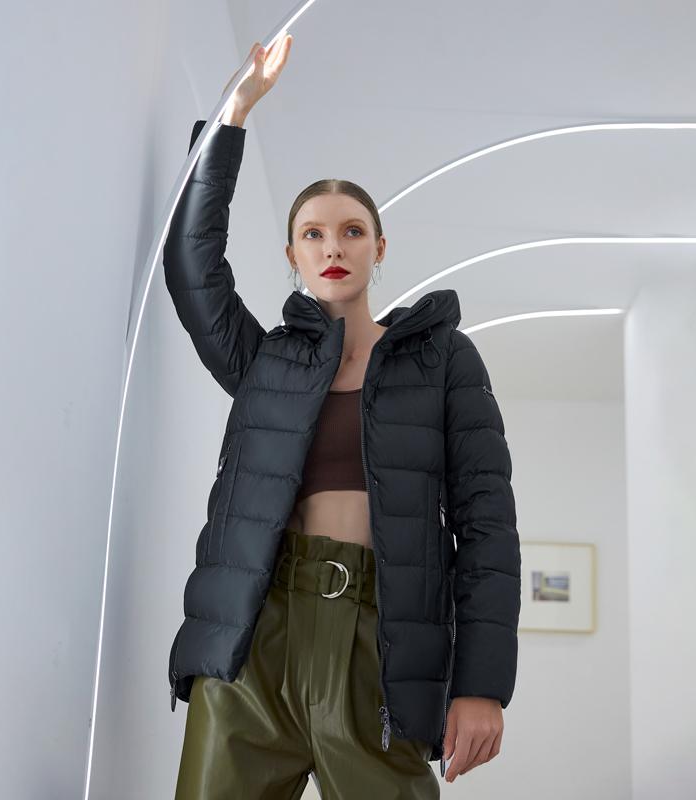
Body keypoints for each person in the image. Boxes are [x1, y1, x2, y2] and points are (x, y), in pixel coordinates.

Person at [164, 35, 521, 799]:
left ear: (379, 248)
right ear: (292, 254)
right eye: (314, 234)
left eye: (352, 230)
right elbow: (192, 270)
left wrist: (480, 684)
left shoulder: (443, 361)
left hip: (376, 645)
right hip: (254, 639)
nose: (334, 246)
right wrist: (235, 113)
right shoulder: (268, 366)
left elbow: (488, 529)